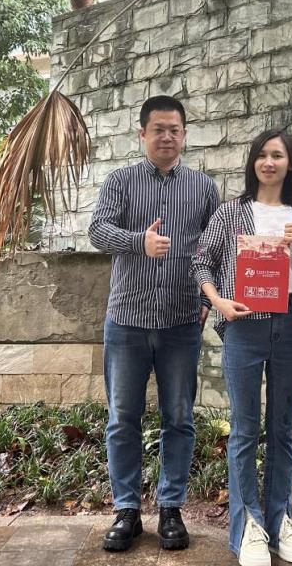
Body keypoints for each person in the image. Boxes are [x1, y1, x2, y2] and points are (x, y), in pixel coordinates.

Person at [88, 95, 220, 552]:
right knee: (123, 418)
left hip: (182, 321)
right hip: (127, 319)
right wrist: (138, 243)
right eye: (158, 129)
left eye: (174, 130)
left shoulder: (204, 188)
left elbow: (214, 248)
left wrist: (207, 298)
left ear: (185, 135)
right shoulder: (120, 181)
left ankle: (170, 508)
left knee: (179, 418)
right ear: (142, 133)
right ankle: (126, 509)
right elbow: (97, 231)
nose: (167, 137)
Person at [191, 129, 292, 566]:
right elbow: (201, 261)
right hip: (243, 326)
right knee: (245, 429)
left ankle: (281, 520)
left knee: (282, 428)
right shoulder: (231, 212)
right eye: (262, 155)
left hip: (289, 325)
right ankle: (247, 525)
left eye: (277, 155)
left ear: (290, 163)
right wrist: (218, 301)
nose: (269, 162)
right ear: (253, 162)